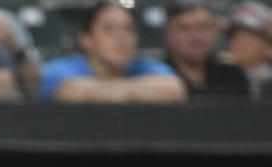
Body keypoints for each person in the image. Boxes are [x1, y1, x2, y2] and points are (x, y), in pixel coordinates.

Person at [38, 0, 186, 102]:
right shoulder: (61, 68)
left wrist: (107, 91)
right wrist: (138, 91)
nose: (122, 38)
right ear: (86, 39)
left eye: (128, 29)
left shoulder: (144, 66)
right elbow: (68, 90)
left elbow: (174, 88)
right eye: (109, 29)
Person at [163, 0, 249, 101]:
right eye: (185, 28)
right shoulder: (157, 76)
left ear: (215, 31)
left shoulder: (232, 75)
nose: (196, 36)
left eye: (203, 27)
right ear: (168, 34)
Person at [223, 1, 272, 100]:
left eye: (248, 38)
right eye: (235, 37)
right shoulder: (219, 75)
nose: (239, 44)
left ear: (267, 43)